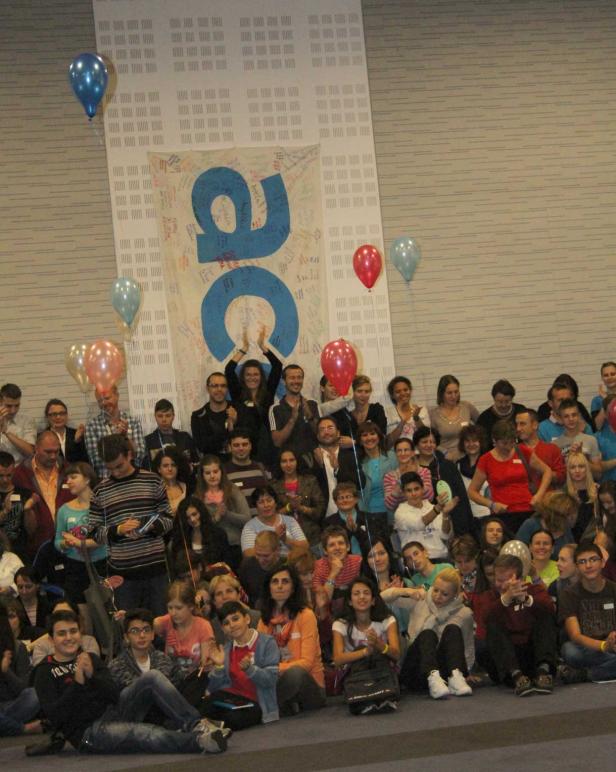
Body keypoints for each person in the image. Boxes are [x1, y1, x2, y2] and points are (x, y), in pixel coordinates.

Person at [33, 609, 227, 755]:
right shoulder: (45, 671)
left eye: (73, 631)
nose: (69, 637)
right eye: (62, 633)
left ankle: (197, 724)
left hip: (115, 712)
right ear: (51, 639)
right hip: (88, 733)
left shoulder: (90, 658)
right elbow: (56, 717)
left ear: (80, 633)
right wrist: (78, 682)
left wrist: (94, 676)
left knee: (152, 677)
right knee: (144, 733)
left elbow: (114, 694)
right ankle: (199, 741)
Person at [87, 434, 173, 615]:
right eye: (110, 468)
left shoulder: (153, 480)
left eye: (119, 466)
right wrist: (117, 530)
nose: (116, 472)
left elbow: (168, 519)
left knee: (161, 624)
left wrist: (148, 526)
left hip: (155, 571)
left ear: (129, 455)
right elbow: (93, 532)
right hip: (122, 576)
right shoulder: (100, 491)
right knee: (128, 627)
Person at [478, 553, 557, 696]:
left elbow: (551, 609)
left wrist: (527, 600)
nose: (501, 585)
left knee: (544, 614)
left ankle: (543, 672)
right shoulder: (489, 597)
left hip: (533, 653)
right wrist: (505, 600)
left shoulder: (534, 590)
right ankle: (517, 677)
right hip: (507, 660)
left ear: (519, 578)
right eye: (498, 580)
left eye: (506, 580)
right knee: (493, 623)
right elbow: (484, 618)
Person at [394, 569, 474, 698]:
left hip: (443, 671)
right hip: (416, 668)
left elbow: (468, 645)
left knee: (453, 629)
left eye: (444, 594)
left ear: (455, 595)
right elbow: (383, 597)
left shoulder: (465, 613)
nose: (437, 596)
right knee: (428, 634)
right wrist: (405, 591)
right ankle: (432, 676)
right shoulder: (421, 599)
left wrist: (467, 671)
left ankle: (456, 677)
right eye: (436, 590)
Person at [257, 564, 326, 714]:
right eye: (275, 582)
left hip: (309, 684)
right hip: (278, 681)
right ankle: (282, 705)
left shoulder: (306, 615)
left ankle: (268, 705)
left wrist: (274, 669)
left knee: (296, 673)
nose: (280, 586)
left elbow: (306, 664)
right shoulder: (264, 621)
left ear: (293, 588)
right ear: (268, 588)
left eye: (285, 582)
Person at [202, 600, 280, 728]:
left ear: (247, 619)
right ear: (223, 629)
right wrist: (219, 666)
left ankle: (209, 725)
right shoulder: (226, 649)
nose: (231, 625)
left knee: (235, 719)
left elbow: (271, 679)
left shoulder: (267, 642)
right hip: (231, 700)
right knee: (206, 703)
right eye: (226, 623)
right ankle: (208, 725)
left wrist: (250, 669)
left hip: (257, 703)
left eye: (235, 619)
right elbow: (213, 688)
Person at [468, 420, 552, 534]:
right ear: (494, 441)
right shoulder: (486, 460)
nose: (508, 447)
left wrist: (539, 495)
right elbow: (472, 491)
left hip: (528, 510)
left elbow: (547, 471)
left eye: (512, 442)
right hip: (503, 514)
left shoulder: (523, 451)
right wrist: (491, 504)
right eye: (504, 443)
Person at [332, 576, 400, 714]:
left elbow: (396, 654)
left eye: (366, 593)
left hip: (380, 667)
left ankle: (384, 696)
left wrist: (379, 645)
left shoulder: (387, 620)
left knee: (377, 654)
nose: (362, 597)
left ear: (374, 600)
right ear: (350, 601)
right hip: (355, 672)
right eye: (356, 594)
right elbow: (338, 659)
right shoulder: (340, 624)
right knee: (361, 652)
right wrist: (364, 652)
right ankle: (364, 700)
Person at [54, 462, 106, 620]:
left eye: (73, 477)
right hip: (76, 568)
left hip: (102, 564)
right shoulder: (64, 510)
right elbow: (57, 541)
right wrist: (66, 543)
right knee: (82, 614)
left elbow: (104, 537)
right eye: (67, 478)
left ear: (88, 479)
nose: (68, 481)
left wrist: (77, 542)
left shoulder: (102, 505)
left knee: (105, 611)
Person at [224, 325, 283, 464]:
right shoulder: (237, 393)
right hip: (244, 448)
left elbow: (277, 366)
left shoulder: (268, 391)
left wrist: (262, 346)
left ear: (261, 376)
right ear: (243, 377)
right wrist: (244, 348)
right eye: (248, 375)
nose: (252, 378)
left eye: (256, 374)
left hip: (267, 447)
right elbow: (229, 369)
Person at [560, 540, 616, 682]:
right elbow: (575, 635)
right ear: (577, 567)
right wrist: (604, 646)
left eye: (593, 560)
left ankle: (586, 674)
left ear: (602, 563)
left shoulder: (614, 589)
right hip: (586, 648)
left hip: (613, 645)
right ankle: (609, 667)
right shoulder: (569, 594)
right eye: (582, 561)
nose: (588, 565)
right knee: (569, 651)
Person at [12, 430, 73, 558]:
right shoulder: (19, 474)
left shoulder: (69, 471)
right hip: (36, 547)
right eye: (48, 452)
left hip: (69, 544)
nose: (53, 456)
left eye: (56, 451)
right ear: (36, 449)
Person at [413, 426, 474, 536]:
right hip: (425, 523)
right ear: (417, 445)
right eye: (424, 442)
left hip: (452, 521)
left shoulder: (448, 466)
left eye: (432, 442)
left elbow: (461, 497)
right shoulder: (412, 469)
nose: (428, 445)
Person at [195, 454, 251, 566]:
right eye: (207, 473)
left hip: (235, 546)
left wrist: (227, 514)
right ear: (202, 475)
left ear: (221, 472)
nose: (212, 476)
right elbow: (198, 528)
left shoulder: (232, 490)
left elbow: (247, 519)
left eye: (215, 472)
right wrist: (216, 517)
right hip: (211, 550)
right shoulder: (197, 498)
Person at [154, 581, 214, 681]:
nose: (173, 613)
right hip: (171, 680)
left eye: (178, 608)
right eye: (170, 608)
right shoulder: (167, 621)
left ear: (191, 606)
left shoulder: (203, 626)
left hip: (195, 681)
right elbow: (152, 625)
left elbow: (205, 662)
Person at [85, 384, 146, 478]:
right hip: (106, 481)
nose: (104, 403)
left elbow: (140, 454)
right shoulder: (92, 426)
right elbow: (96, 460)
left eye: (107, 398)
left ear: (117, 396)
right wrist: (117, 439)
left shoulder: (133, 422)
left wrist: (125, 437)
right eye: (100, 401)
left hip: (133, 479)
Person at [394, 472, 457, 561]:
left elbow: (445, 535)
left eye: (416, 489)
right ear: (403, 493)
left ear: (423, 489)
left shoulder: (431, 507)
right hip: (417, 562)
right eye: (409, 490)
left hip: (441, 557)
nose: (413, 493)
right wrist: (439, 507)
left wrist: (445, 514)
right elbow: (419, 524)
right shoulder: (400, 512)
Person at [272, 446, 325, 551]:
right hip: (286, 539)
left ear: (297, 461)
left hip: (312, 537)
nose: (288, 464)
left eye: (292, 460)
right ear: (279, 464)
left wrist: (301, 508)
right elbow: (272, 516)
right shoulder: (274, 486)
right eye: (284, 461)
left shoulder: (310, 481)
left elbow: (320, 511)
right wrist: (289, 507)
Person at [0, 603, 41, 736]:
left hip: (12, 703)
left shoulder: (18, 648)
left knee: (35, 694)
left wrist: (6, 671)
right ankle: (21, 728)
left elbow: (23, 688)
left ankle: (6, 725)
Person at [310, 416, 364, 517]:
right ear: (317, 436)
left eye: (330, 428)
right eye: (322, 429)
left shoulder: (349, 455)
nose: (326, 432)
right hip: (323, 515)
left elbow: (361, 482)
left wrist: (338, 470)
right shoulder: (312, 457)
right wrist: (320, 466)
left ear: (338, 433)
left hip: (349, 513)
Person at [323, 482, 388, 556]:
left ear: (356, 499)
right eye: (341, 498)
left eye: (348, 496)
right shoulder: (328, 523)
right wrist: (347, 529)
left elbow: (376, 542)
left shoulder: (369, 517)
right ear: (335, 502)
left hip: (370, 560)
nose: (345, 500)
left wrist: (357, 530)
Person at [170, 496, 232, 574]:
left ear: (201, 512)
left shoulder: (218, 534)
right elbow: (178, 567)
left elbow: (227, 561)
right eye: (187, 518)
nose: (192, 519)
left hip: (215, 577)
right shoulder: (180, 539)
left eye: (194, 514)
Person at [241, 486, 308, 557]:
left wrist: (285, 539)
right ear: (256, 506)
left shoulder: (290, 520)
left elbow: (305, 547)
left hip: (292, 563)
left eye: (269, 500)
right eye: (261, 502)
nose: (266, 505)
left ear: (275, 503)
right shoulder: (250, 526)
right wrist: (273, 538)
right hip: (266, 566)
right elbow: (248, 554)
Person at [31, 599, 100, 666]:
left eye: (68, 614)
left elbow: (92, 669)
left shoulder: (89, 641)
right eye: (57, 615)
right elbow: (41, 672)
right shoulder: (41, 646)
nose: (63, 618)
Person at [356, 421, 396, 530]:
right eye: (364, 435)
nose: (369, 438)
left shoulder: (392, 456)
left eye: (372, 433)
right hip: (371, 515)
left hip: (395, 512)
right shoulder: (358, 464)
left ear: (379, 436)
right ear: (359, 441)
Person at [428, 375, 479, 461]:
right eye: (449, 393)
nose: (454, 396)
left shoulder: (466, 407)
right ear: (441, 394)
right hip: (445, 458)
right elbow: (431, 441)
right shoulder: (433, 414)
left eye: (456, 392)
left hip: (468, 456)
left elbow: (481, 426)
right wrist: (444, 453)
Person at [515, 408, 566, 488]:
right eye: (517, 424)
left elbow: (561, 478)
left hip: (548, 498)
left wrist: (543, 469)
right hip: (521, 497)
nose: (518, 428)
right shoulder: (513, 451)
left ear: (535, 425)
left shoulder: (552, 449)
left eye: (522, 424)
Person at [191, 372, 237, 459]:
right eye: (215, 386)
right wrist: (228, 429)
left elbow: (247, 441)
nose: (219, 389)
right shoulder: (198, 416)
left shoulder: (237, 410)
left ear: (227, 389)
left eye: (223, 386)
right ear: (208, 388)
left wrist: (235, 425)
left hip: (236, 466)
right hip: (212, 468)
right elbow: (203, 447)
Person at [383, 437, 433, 518]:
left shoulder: (424, 472)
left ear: (413, 452)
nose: (403, 453)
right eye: (399, 451)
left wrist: (415, 474)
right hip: (403, 520)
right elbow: (389, 505)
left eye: (406, 450)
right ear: (395, 454)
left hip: (426, 516)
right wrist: (400, 480)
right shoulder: (389, 476)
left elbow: (429, 497)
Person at [551, 399, 602, 478]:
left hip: (587, 487)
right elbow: (557, 476)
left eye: (574, 415)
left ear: (579, 416)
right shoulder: (555, 445)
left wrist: (582, 458)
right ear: (561, 419)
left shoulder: (591, 440)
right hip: (566, 488)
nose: (571, 419)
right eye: (566, 416)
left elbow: (598, 474)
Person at [224, 429, 270, 514]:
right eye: (236, 445)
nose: (241, 448)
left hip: (262, 524)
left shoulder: (261, 468)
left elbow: (269, 497)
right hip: (237, 525)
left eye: (244, 444)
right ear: (230, 447)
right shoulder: (223, 472)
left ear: (250, 446)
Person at [516, 491, 576, 557]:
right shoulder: (530, 525)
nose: (572, 517)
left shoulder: (566, 528)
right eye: (568, 514)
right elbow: (518, 554)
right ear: (556, 515)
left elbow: (572, 554)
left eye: (573, 513)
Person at [331, 375, 387, 443]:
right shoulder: (343, 412)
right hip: (348, 452)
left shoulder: (376, 410)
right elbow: (338, 438)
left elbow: (382, 435)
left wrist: (354, 442)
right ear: (352, 392)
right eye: (359, 391)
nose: (363, 395)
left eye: (367, 391)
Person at [144, 398, 198, 468]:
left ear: (173, 416)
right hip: (159, 478)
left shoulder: (185, 437)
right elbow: (146, 468)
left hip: (183, 477)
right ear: (155, 417)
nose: (164, 420)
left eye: (168, 415)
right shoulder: (148, 441)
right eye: (160, 416)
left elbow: (196, 462)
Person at [209, 573, 261, 644]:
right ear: (214, 601)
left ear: (239, 595)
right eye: (219, 594)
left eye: (229, 591)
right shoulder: (211, 627)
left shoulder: (256, 617)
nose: (225, 597)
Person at [238, 531, 282, 608]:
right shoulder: (247, 565)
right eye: (258, 554)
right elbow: (244, 595)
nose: (261, 560)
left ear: (277, 551)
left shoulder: (286, 568)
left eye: (266, 556)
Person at [0, 451, 31, 558]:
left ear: (14, 471)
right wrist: (5, 511)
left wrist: (28, 510)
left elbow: (32, 530)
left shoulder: (25, 494)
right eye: (1, 476)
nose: (5, 480)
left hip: (22, 551)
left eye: (9, 475)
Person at [456, 425, 491, 521]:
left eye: (475, 441)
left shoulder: (489, 463)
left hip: (488, 515)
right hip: (466, 516)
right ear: (463, 444)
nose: (471, 444)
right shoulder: (457, 466)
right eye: (467, 441)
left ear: (481, 442)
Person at [384, 375, 429, 448]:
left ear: (410, 391)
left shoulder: (421, 410)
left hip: (419, 454)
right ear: (392, 395)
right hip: (398, 455)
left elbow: (427, 437)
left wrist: (416, 418)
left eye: (405, 390)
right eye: (398, 391)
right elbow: (387, 444)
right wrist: (402, 422)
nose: (403, 393)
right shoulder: (387, 413)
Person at [566, 451, 598, 542]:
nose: (577, 471)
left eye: (581, 466)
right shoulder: (564, 494)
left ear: (587, 469)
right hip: (571, 541)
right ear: (568, 471)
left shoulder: (597, 491)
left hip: (593, 540)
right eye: (573, 467)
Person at [44, 398, 88, 463]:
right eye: (54, 414)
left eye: (62, 413)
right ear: (47, 417)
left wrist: (76, 442)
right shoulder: (42, 437)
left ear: (67, 415)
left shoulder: (76, 434)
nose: (58, 417)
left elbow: (84, 461)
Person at [0, 383, 35, 464]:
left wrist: (6, 432)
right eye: (8, 406)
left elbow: (30, 452)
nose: (13, 410)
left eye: (17, 405)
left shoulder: (27, 420)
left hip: (20, 470)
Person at [14, 567, 52, 640]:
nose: (24, 591)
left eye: (28, 587)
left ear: (37, 585)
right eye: (20, 587)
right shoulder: (12, 607)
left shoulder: (47, 605)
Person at [152, 447, 191, 516]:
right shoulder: (155, 491)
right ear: (159, 469)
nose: (170, 469)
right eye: (165, 466)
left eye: (173, 465)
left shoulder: (187, 487)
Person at [596, 396, 616, 483]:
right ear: (604, 413)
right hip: (608, 489)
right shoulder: (598, 438)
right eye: (611, 411)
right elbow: (597, 468)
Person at [591, 361, 616, 431]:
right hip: (605, 441)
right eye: (606, 375)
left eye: (613, 374)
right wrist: (606, 401)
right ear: (602, 378)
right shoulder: (596, 400)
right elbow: (597, 427)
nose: (609, 377)